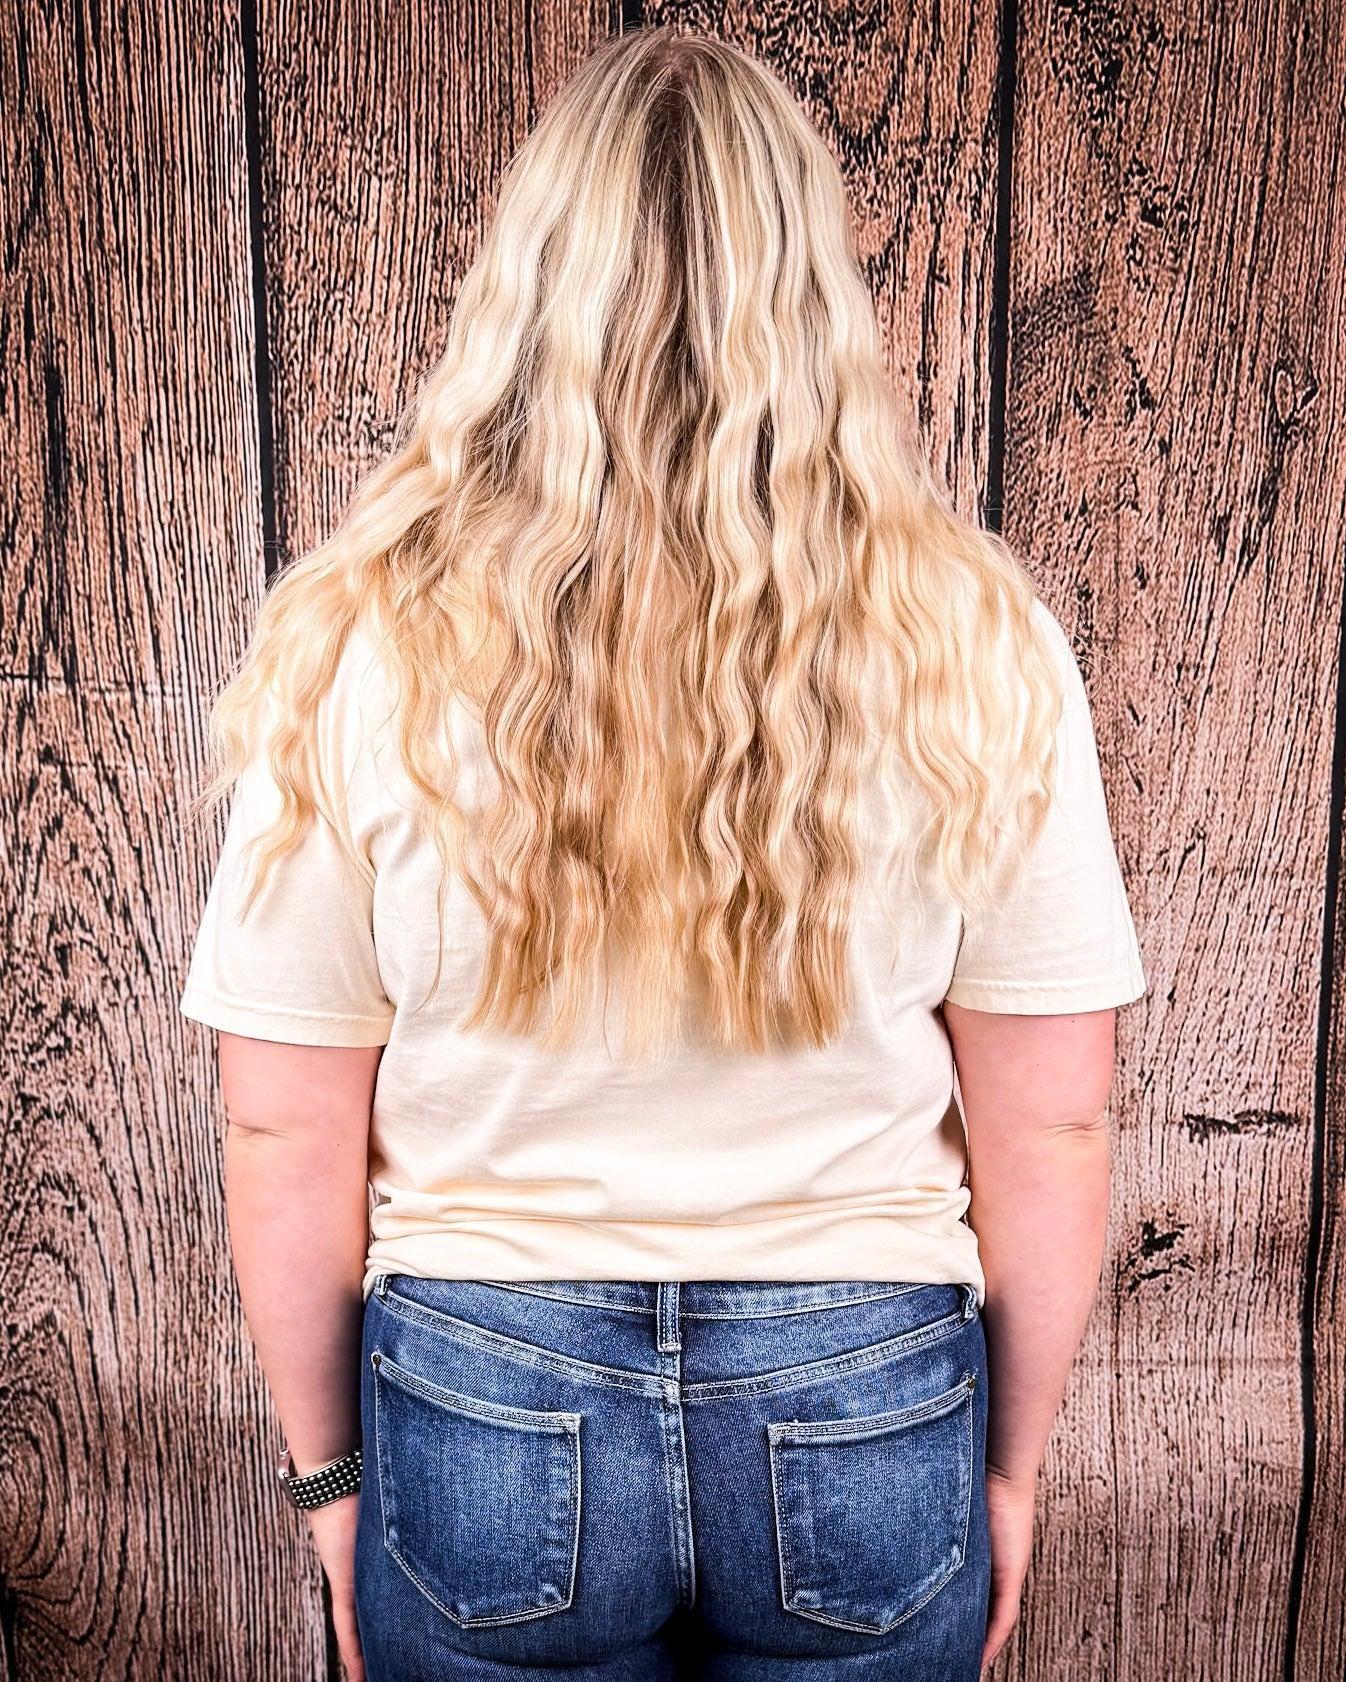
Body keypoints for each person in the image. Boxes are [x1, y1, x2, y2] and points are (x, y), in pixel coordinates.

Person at [178, 24, 1146, 1682]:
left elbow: (282, 1119)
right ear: (816, 294)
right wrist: (1005, 1467)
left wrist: (333, 1480)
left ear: (525, 284)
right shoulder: (978, 642)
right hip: (863, 1391)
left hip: (483, 1398)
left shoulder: (355, 642)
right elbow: (1049, 1115)